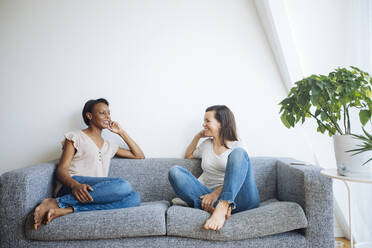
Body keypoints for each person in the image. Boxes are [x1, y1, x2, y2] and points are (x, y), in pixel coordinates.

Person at [33, 98, 145, 230]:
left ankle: (68, 209)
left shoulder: (109, 145)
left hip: (95, 191)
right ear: (89, 116)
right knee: (123, 185)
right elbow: (61, 170)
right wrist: (75, 186)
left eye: (109, 113)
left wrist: (121, 132)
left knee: (134, 198)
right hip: (73, 185)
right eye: (103, 113)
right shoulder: (75, 137)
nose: (107, 117)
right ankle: (58, 202)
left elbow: (139, 155)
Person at [168, 105, 260, 231]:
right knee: (175, 172)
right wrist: (197, 137)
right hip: (208, 197)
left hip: (241, 197)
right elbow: (189, 155)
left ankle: (223, 205)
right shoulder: (206, 145)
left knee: (238, 154)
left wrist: (216, 194)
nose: (203, 124)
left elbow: (242, 174)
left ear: (221, 123)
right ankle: (213, 207)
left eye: (207, 121)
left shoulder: (238, 144)